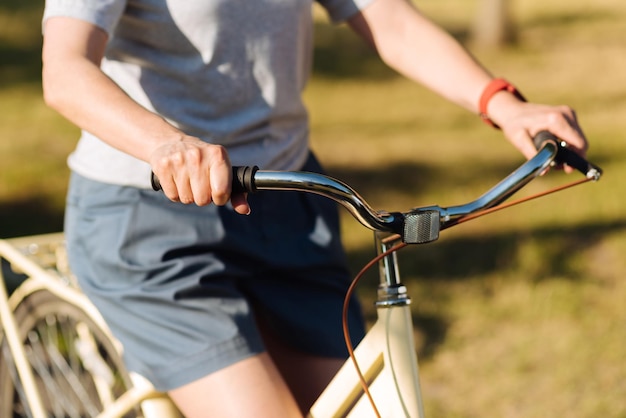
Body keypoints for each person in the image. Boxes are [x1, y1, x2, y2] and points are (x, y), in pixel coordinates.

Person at [41, 0, 588, 417]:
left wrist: (503, 104)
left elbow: (390, 21)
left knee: (358, 406)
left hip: (287, 204)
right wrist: (163, 143)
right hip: (153, 222)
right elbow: (64, 69)